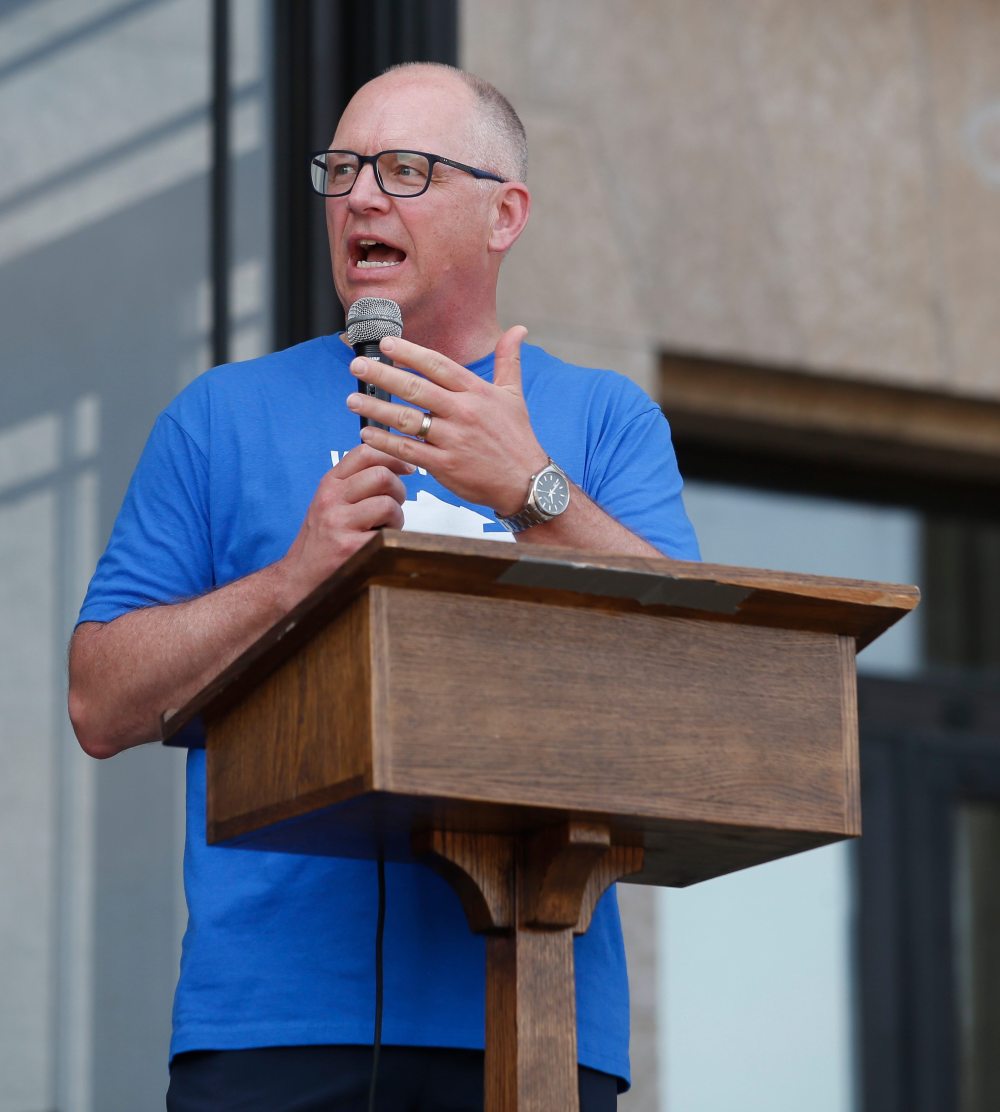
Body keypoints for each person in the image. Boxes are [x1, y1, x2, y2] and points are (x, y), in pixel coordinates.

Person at [69, 62, 700, 1111]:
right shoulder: (220, 416)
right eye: (344, 169)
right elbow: (98, 702)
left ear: (505, 214)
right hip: (274, 1025)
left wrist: (533, 491)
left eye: (406, 169)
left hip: (535, 1012)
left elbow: (702, 672)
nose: (361, 196)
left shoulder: (603, 418)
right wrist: (293, 580)